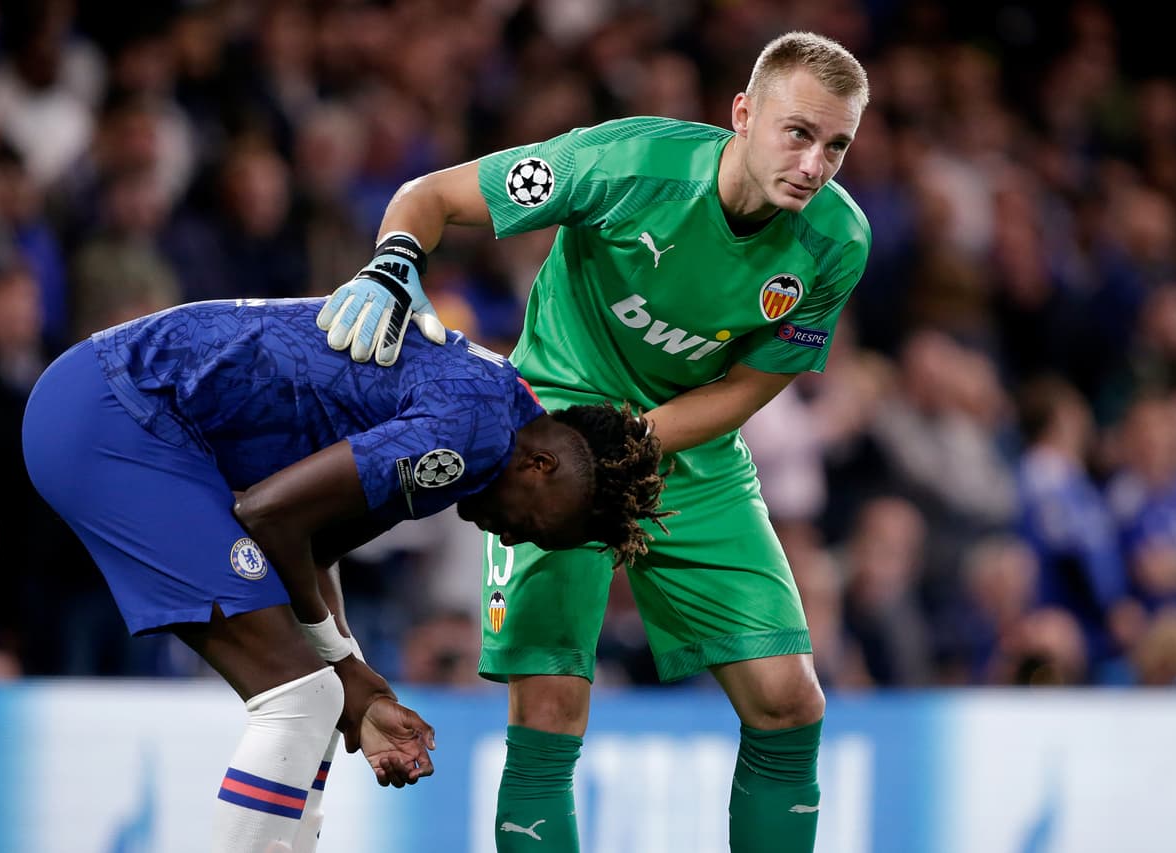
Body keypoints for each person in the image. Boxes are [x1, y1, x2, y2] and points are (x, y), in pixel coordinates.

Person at [319, 31, 870, 853]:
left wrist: (635, 437)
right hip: (554, 434)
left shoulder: (837, 243)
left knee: (791, 703)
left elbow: (750, 386)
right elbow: (429, 196)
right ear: (743, 115)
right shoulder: (624, 164)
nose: (815, 163)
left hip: (683, 442)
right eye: (798, 132)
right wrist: (393, 262)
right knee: (548, 708)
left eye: (837, 144)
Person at [22, 295, 668, 853]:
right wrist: (340, 664)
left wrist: (354, 679)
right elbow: (268, 514)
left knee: (323, 697)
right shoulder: (473, 434)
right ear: (543, 467)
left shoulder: (492, 420)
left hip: (113, 404)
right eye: (543, 528)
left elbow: (309, 542)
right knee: (300, 695)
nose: (514, 535)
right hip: (118, 415)